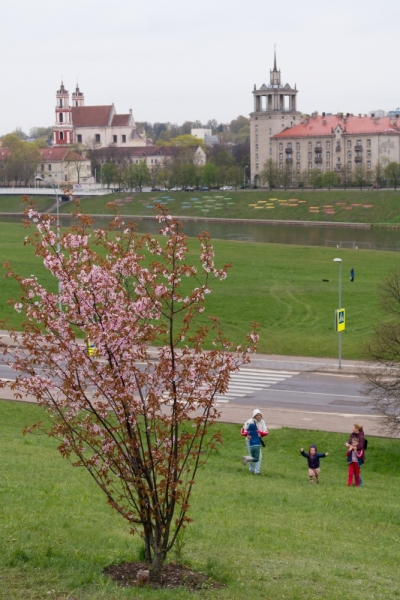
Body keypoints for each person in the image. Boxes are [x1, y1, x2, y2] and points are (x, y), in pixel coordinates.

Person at [241, 409, 268, 474]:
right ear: (254, 416)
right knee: (252, 455)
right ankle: (251, 469)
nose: (259, 416)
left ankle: (257, 471)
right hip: (250, 442)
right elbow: (243, 430)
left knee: (259, 456)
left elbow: (266, 432)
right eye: (257, 415)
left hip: (257, 442)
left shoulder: (262, 422)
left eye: (259, 415)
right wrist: (248, 435)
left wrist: (259, 433)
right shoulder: (250, 421)